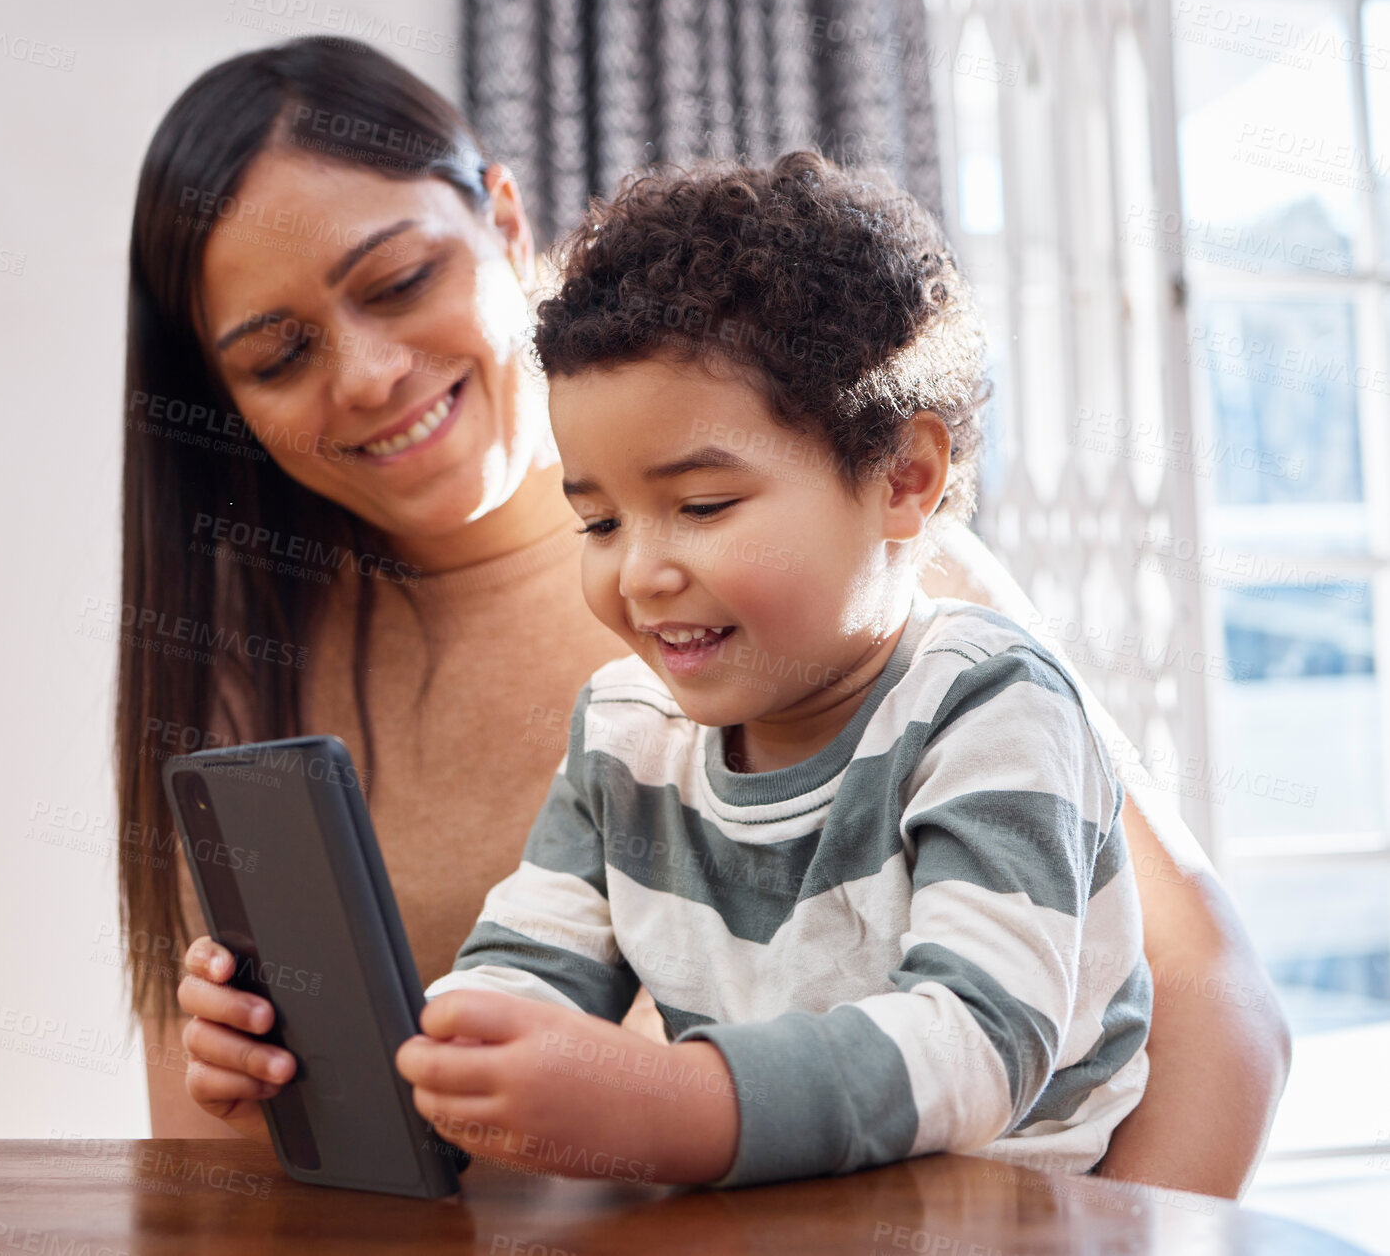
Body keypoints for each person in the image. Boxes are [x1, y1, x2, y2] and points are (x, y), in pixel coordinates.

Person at [120, 36, 1288, 1197]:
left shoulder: (921, 627)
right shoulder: (608, 710)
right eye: (278, 355)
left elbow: (1195, 1011)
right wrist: (312, 1070)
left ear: (506, 223)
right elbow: (499, 988)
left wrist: (677, 1102)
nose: (369, 373)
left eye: (399, 281)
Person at [390, 152, 1152, 1187]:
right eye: (599, 520)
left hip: (1004, 1217)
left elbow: (978, 1042)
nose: (641, 570)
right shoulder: (626, 726)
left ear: (903, 478)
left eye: (701, 506)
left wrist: (676, 1102)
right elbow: (527, 973)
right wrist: (395, 1057)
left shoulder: (987, 704)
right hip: (764, 1211)